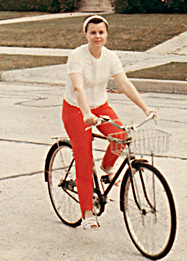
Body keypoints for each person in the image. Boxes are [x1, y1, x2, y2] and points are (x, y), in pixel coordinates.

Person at [62, 15, 155, 230]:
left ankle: (107, 165)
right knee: (84, 159)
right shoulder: (77, 56)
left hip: (100, 106)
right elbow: (78, 88)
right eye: (93, 32)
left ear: (106, 34)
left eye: (101, 32)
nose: (97, 36)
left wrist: (145, 107)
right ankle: (87, 213)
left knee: (121, 136)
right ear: (86, 34)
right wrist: (86, 113)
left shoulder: (110, 57)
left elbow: (124, 84)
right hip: (76, 109)